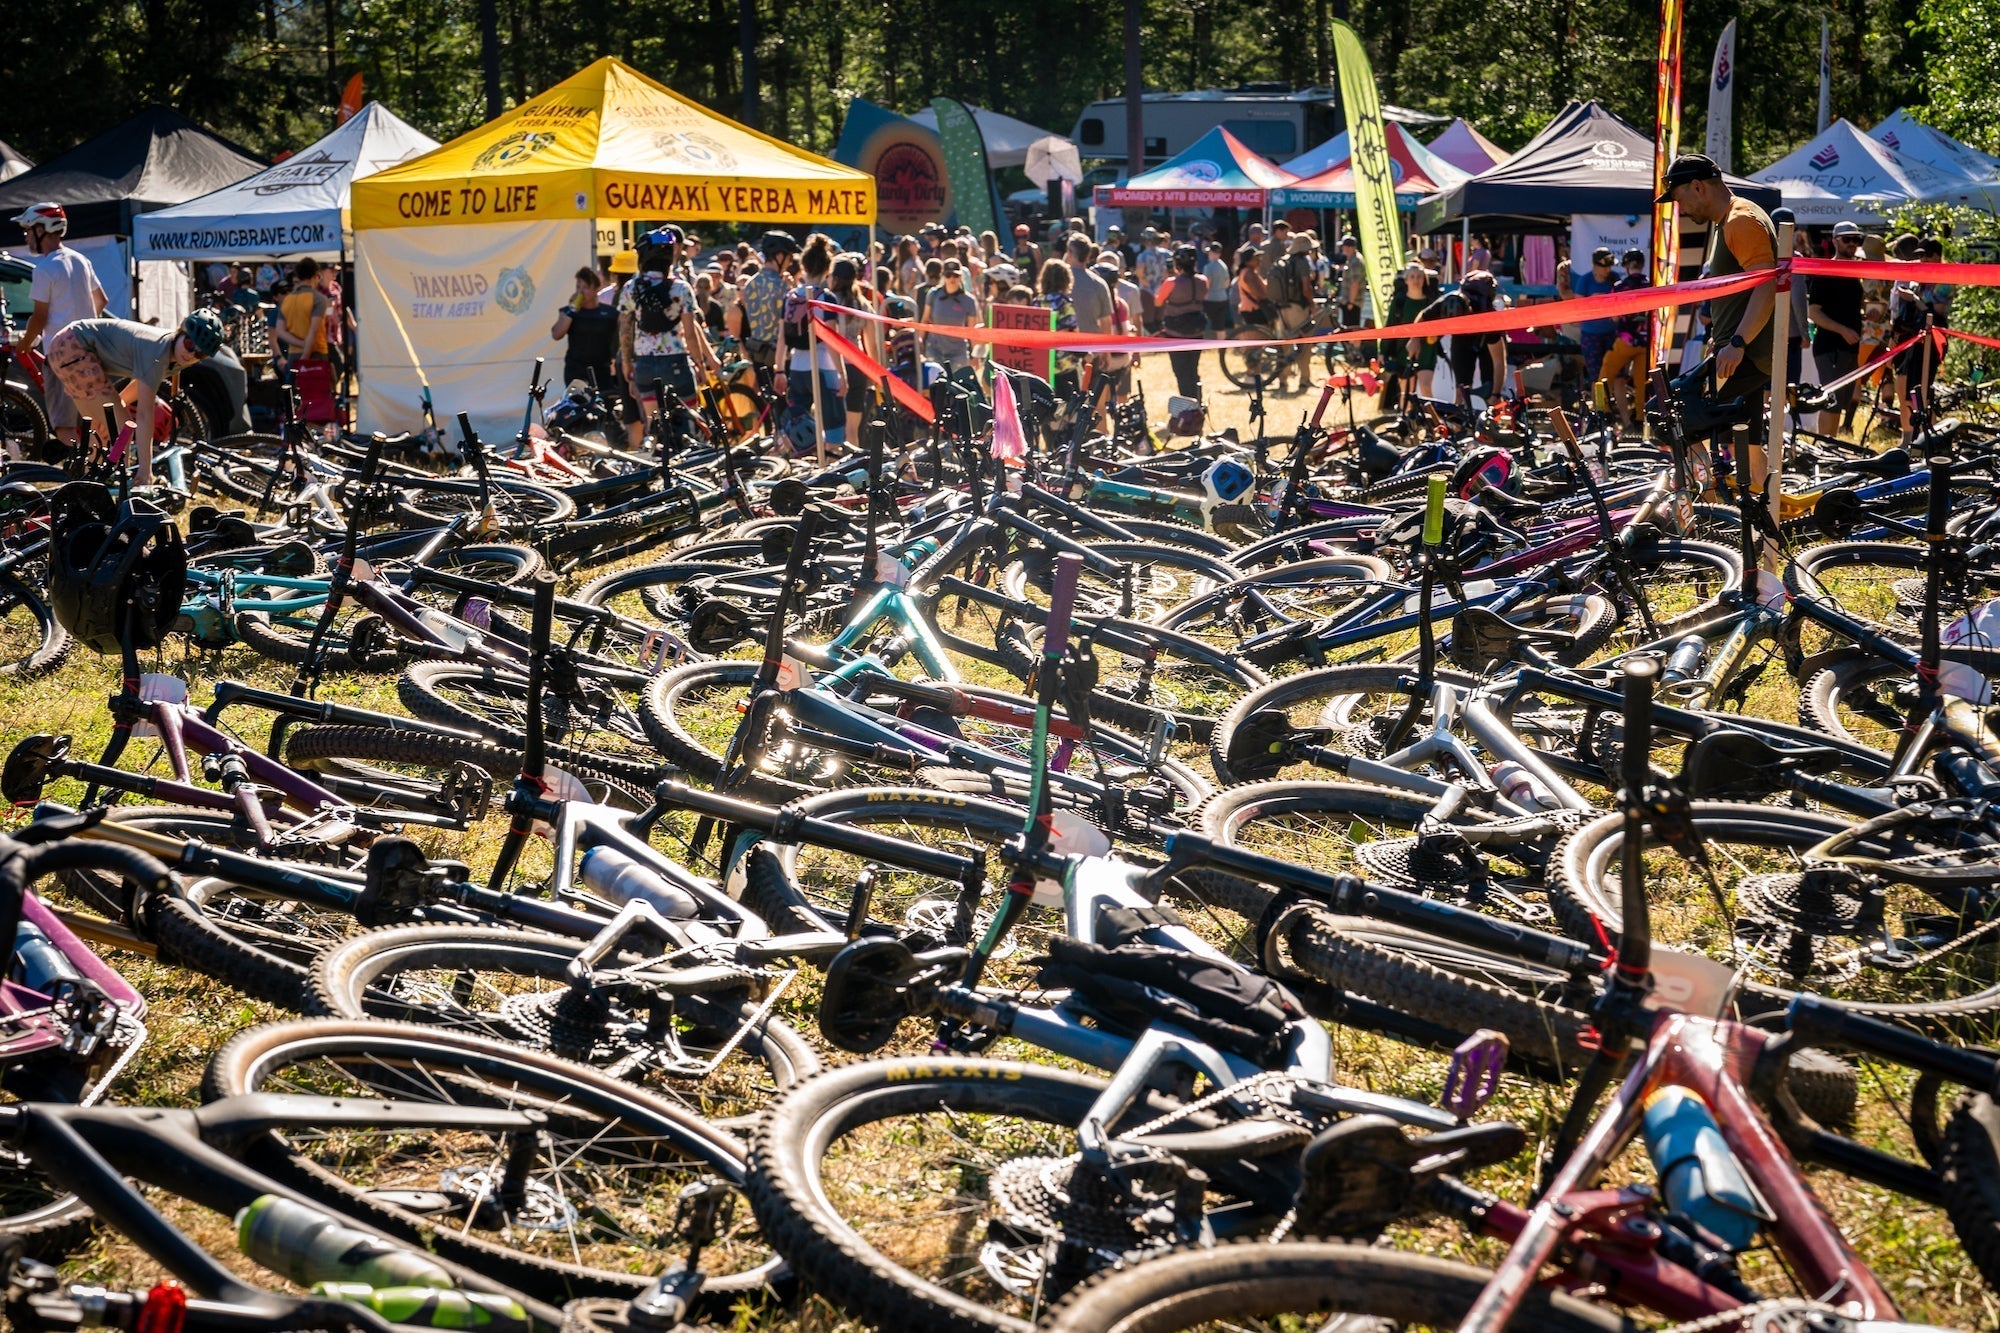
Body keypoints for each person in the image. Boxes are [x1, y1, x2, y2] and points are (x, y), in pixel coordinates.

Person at [49, 311, 224, 486]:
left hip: (68, 344)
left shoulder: (173, 356)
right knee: (123, 428)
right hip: (74, 346)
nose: (191, 354)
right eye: (189, 344)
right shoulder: (158, 350)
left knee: (100, 432)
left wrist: (119, 404)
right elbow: (144, 415)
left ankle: (85, 486)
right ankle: (118, 489)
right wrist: (145, 469)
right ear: (180, 331)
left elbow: (139, 384)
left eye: (200, 355)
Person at [1659, 152, 1776, 407]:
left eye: (1679, 199)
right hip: (1737, 354)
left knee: (1668, 412)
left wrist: (1737, 342)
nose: (1681, 209)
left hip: (1745, 356)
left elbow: (1766, 286)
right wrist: (1721, 337)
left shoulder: (1740, 220)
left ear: (1697, 187)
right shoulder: (1727, 220)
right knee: (1747, 445)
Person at [6, 203, 108, 447]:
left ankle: (83, 472)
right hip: (89, 350)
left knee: (63, 425)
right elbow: (101, 300)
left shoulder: (45, 268)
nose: (27, 236)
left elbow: (39, 316)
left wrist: (25, 343)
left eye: (29, 230)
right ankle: (99, 465)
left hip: (61, 354)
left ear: (42, 230)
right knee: (91, 418)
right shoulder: (80, 260)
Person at [618, 225, 718, 442]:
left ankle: (659, 463)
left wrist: (627, 364)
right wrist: (700, 366)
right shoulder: (681, 288)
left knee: (655, 427)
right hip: (676, 362)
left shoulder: (630, 288)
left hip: (644, 363)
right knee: (691, 423)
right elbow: (690, 334)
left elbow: (625, 331)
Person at [775, 234, 847, 454]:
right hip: (824, 368)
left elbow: (782, 338)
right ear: (827, 269)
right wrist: (842, 374)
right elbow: (832, 340)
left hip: (797, 369)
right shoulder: (826, 298)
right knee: (834, 427)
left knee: (799, 427)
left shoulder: (790, 297)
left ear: (803, 266)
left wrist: (779, 370)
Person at [1806, 221, 1866, 437]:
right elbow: (1813, 312)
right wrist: (1842, 330)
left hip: (1850, 347)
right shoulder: (1825, 271)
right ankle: (1824, 445)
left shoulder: (1855, 271)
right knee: (1830, 400)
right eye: (1847, 239)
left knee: (1841, 401)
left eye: (1856, 239)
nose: (1852, 243)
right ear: (1834, 241)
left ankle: (1830, 445)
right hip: (1830, 346)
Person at [1414, 271, 1507, 406]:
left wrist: (1496, 394)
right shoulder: (1446, 301)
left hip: (1483, 338)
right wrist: (1414, 340)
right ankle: (1460, 425)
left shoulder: (1488, 318)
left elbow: (1499, 362)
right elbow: (1423, 316)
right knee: (1460, 393)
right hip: (1462, 340)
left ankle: (1494, 422)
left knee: (1491, 395)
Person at [1600, 249, 1653, 428]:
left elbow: (1614, 317)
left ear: (1626, 266)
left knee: (1604, 376)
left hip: (1625, 340)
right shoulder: (1651, 285)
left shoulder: (1620, 286)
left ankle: (1603, 413)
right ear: (1642, 265)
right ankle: (1640, 420)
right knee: (1642, 383)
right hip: (1647, 343)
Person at [550, 266, 619, 401]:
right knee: (578, 406)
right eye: (578, 287)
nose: (580, 292)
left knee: (604, 408)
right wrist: (572, 310)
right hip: (576, 370)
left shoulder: (610, 313)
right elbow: (556, 334)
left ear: (596, 289)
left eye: (585, 287)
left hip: (602, 371)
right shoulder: (568, 312)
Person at [1157, 244, 1209, 400]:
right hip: (1196, 333)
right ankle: (1197, 402)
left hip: (1175, 334)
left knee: (1181, 372)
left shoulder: (1171, 283)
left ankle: (1188, 405)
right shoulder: (1203, 281)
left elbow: (1158, 302)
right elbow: (1204, 297)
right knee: (1193, 370)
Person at [741, 231, 795, 369]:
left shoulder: (750, 283)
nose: (790, 263)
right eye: (789, 258)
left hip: (756, 353)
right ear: (779, 256)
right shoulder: (782, 286)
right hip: (778, 359)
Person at [1384, 260, 1434, 406]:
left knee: (1425, 388)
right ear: (1406, 280)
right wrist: (1383, 351)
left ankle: (1434, 424)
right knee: (1406, 392)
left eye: (1419, 277)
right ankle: (1405, 424)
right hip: (1403, 350)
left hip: (1427, 349)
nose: (1416, 280)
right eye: (1412, 277)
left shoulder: (1431, 302)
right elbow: (1390, 326)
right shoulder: (1399, 302)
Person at [1572, 247, 1621, 385]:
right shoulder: (1585, 280)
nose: (1607, 270)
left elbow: (1621, 300)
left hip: (1612, 332)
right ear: (1594, 265)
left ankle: (1618, 406)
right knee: (1596, 377)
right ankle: (1598, 406)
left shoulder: (1615, 278)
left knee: (1617, 375)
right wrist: (1593, 300)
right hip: (1591, 334)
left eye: (1609, 266)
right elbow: (1578, 306)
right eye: (1604, 267)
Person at [922, 260, 979, 374]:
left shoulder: (968, 300)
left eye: (956, 275)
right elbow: (924, 321)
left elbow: (971, 331)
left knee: (957, 387)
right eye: (948, 275)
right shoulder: (933, 294)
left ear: (961, 276)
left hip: (958, 351)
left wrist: (975, 355)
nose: (952, 278)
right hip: (935, 348)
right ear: (943, 276)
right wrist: (919, 346)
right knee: (935, 386)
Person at [276, 257, 329, 371]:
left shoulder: (287, 300)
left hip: (293, 354)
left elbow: (280, 331)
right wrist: (305, 356)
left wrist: (300, 343)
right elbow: (314, 330)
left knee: (295, 388)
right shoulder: (318, 299)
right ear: (316, 275)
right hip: (315, 353)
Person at [1336, 235, 1366, 328]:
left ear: (1349, 247)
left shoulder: (1355, 262)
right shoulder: (1351, 260)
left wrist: (1351, 302)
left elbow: (1355, 284)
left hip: (1353, 303)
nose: (1342, 249)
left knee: (1351, 329)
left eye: (1343, 246)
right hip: (1350, 301)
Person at [1201, 242, 1232, 331]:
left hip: (1210, 299)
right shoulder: (1224, 266)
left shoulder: (1208, 267)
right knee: (1220, 327)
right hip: (1222, 298)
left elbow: (1207, 284)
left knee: (1206, 324)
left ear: (1212, 253)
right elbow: (1227, 283)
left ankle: (1205, 344)